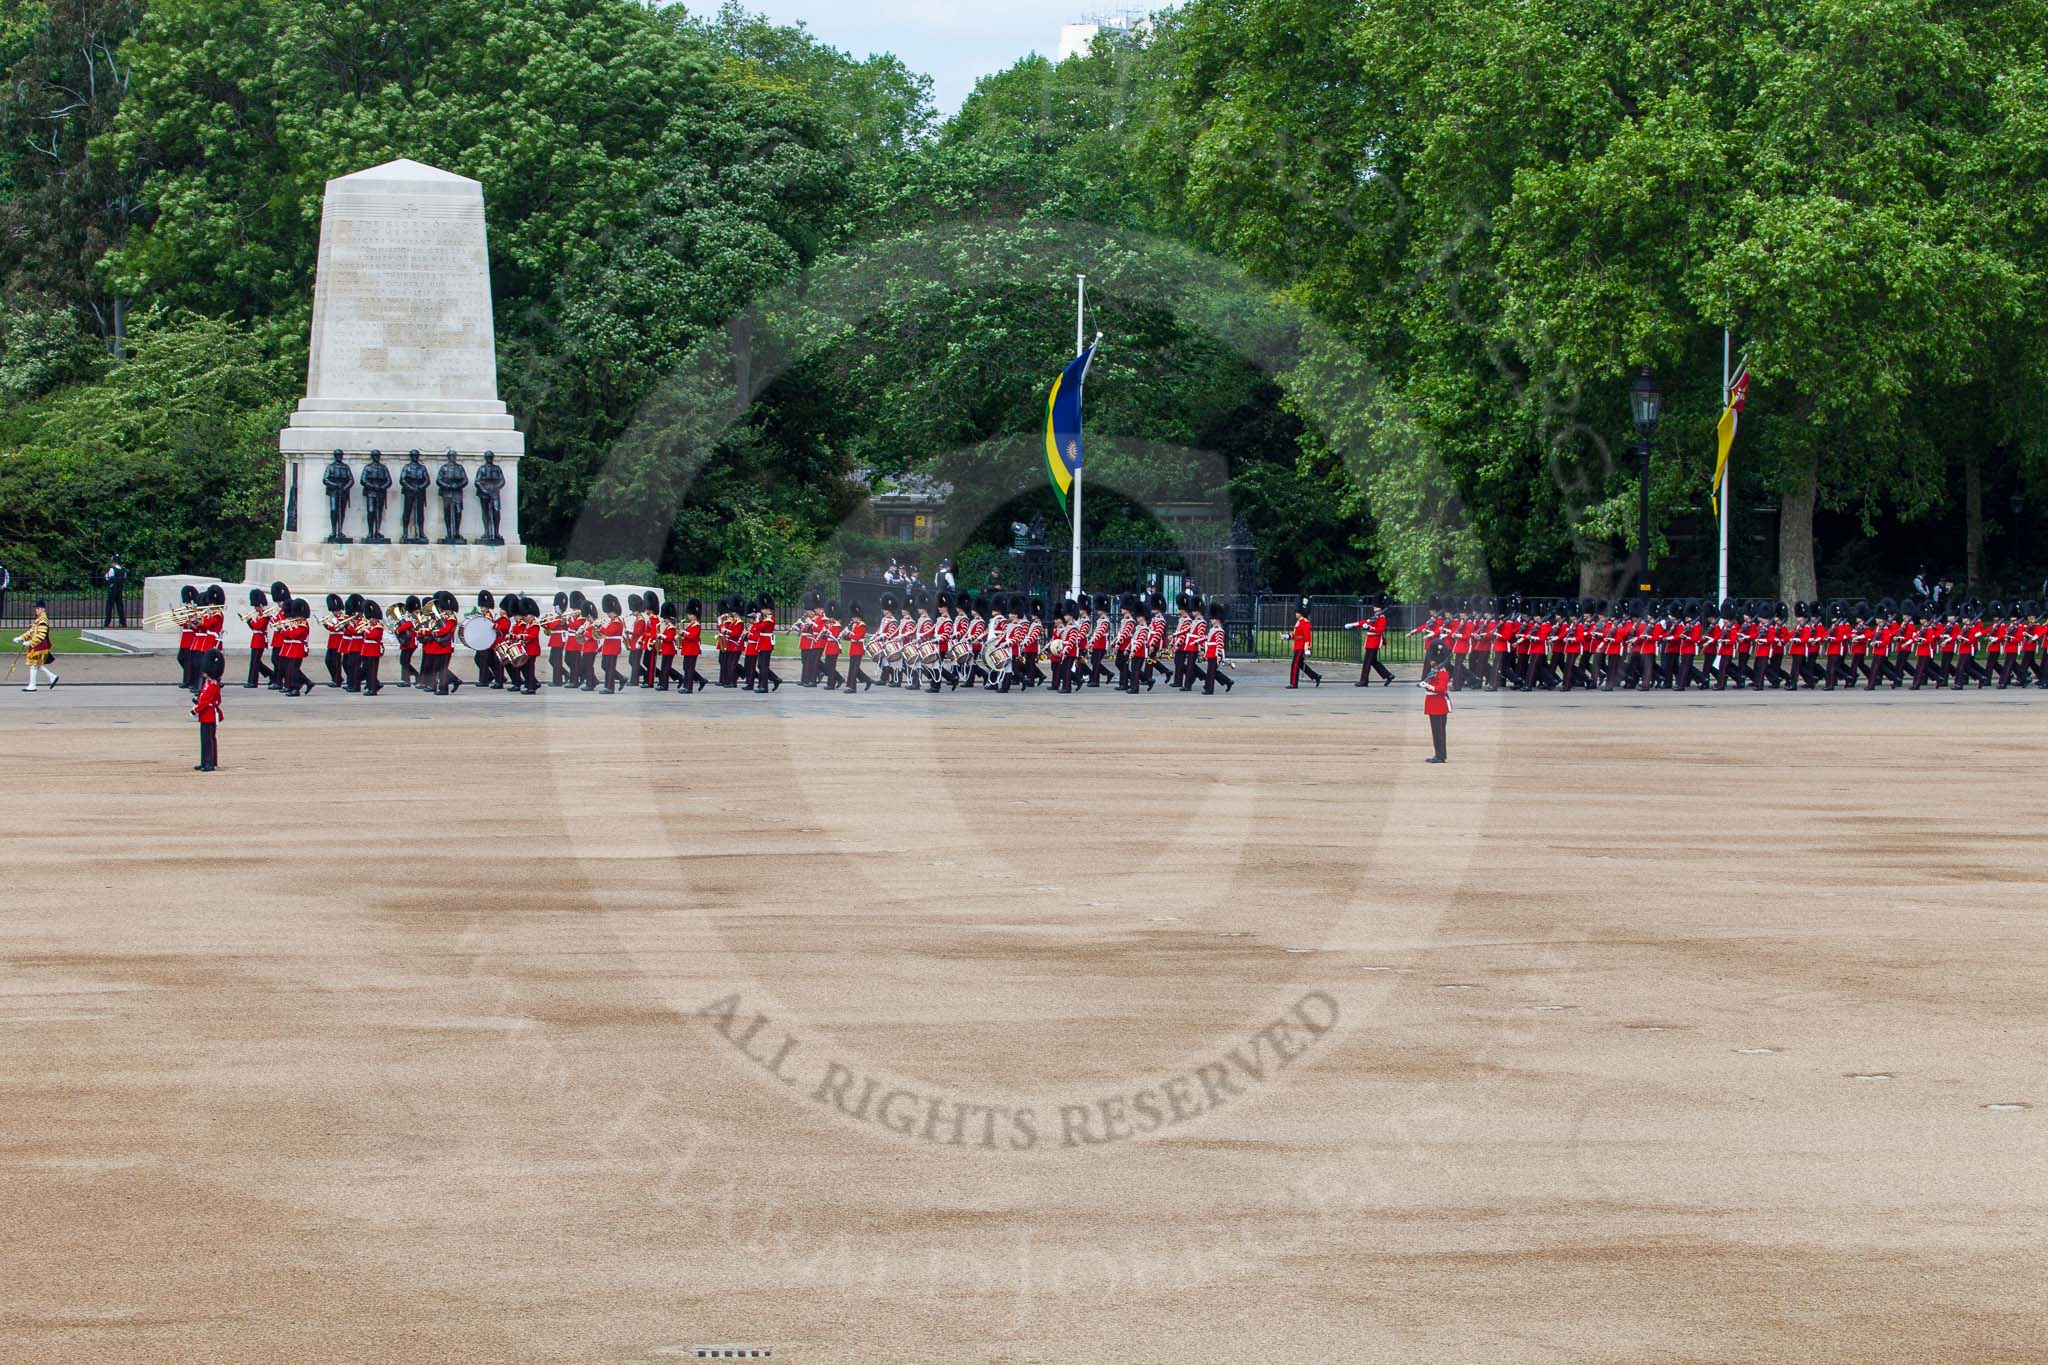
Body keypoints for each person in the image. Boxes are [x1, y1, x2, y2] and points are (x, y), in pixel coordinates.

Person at [191, 648, 225, 771]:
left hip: (209, 714)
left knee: (208, 739)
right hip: (206, 714)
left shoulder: (212, 685)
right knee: (206, 739)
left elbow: (206, 701)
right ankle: (205, 761)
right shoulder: (209, 683)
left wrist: (195, 710)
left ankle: (209, 763)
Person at [13, 601, 57, 691]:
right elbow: (31, 631)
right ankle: (52, 676)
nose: (36, 610)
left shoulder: (43, 620)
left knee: (33, 664)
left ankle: (32, 685)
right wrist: (21, 638)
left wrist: (30, 643)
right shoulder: (39, 619)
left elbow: (41, 635)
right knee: (36, 664)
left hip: (39, 646)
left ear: (43, 609)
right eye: (36, 608)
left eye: (38, 608)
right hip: (37, 645)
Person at [1421, 663, 1451, 763]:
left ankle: (1440, 755)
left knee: (1439, 732)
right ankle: (1440, 754)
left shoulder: (1442, 672)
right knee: (1437, 732)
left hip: (1438, 705)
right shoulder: (1435, 671)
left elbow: (1441, 688)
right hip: (1433, 704)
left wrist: (1428, 686)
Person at [1287, 602, 1321, 688]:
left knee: (1295, 664)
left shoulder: (1305, 623)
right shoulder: (1299, 622)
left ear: (1301, 613)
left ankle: (1293, 683)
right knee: (1300, 664)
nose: (1296, 613)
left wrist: (1307, 649)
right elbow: (1296, 635)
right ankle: (1315, 676)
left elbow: (1307, 637)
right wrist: (1288, 636)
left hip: (1301, 647)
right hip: (1297, 646)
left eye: (1297, 612)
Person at [101, 554, 128, 626]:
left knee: (109, 606)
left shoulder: (112, 569)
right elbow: (124, 579)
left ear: (114, 562)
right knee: (120, 606)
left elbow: (107, 578)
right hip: (119, 590)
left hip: (112, 590)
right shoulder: (123, 570)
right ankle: (123, 622)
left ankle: (107, 623)